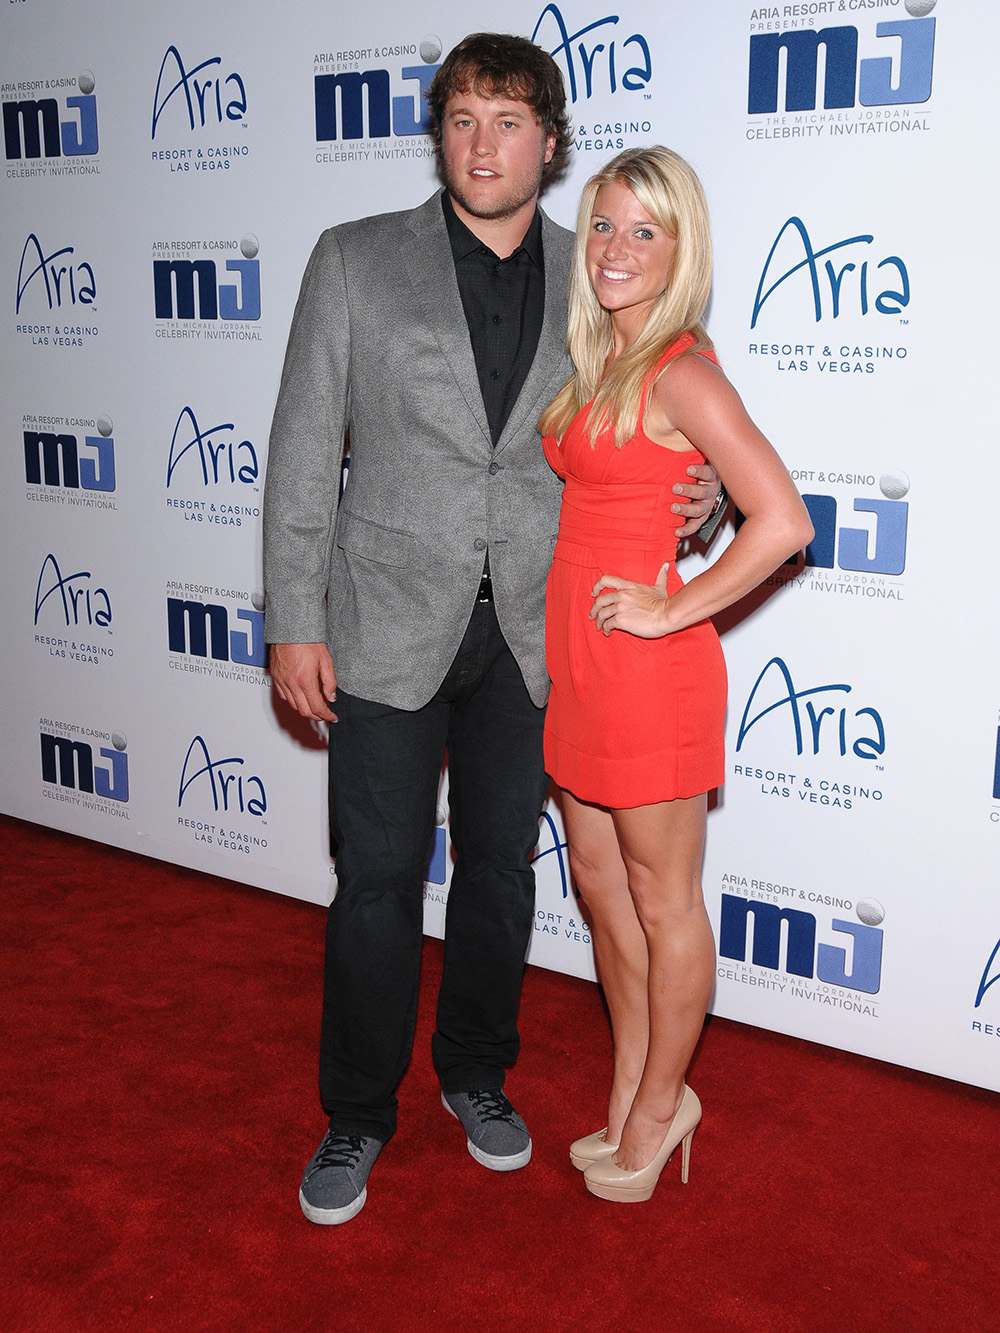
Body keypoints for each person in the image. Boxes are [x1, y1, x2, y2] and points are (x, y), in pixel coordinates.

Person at [263, 37, 721, 1226]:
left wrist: (707, 495)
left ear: (549, 144)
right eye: (462, 118)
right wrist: (292, 620)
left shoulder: (603, 270)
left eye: (508, 122)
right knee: (373, 880)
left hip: (539, 631)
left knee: (499, 881)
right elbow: (305, 452)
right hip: (382, 621)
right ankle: (357, 1110)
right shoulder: (355, 260)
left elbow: (669, 415)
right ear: (439, 133)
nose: (483, 143)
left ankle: (476, 1072)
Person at [538, 146, 813, 1202]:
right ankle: (626, 1087)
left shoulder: (680, 370)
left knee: (663, 903)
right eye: (604, 225)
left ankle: (663, 1106)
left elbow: (781, 520)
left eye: (643, 232)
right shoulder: (599, 358)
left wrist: (672, 603)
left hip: (648, 672)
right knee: (601, 891)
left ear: (679, 249)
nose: (615, 249)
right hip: (579, 658)